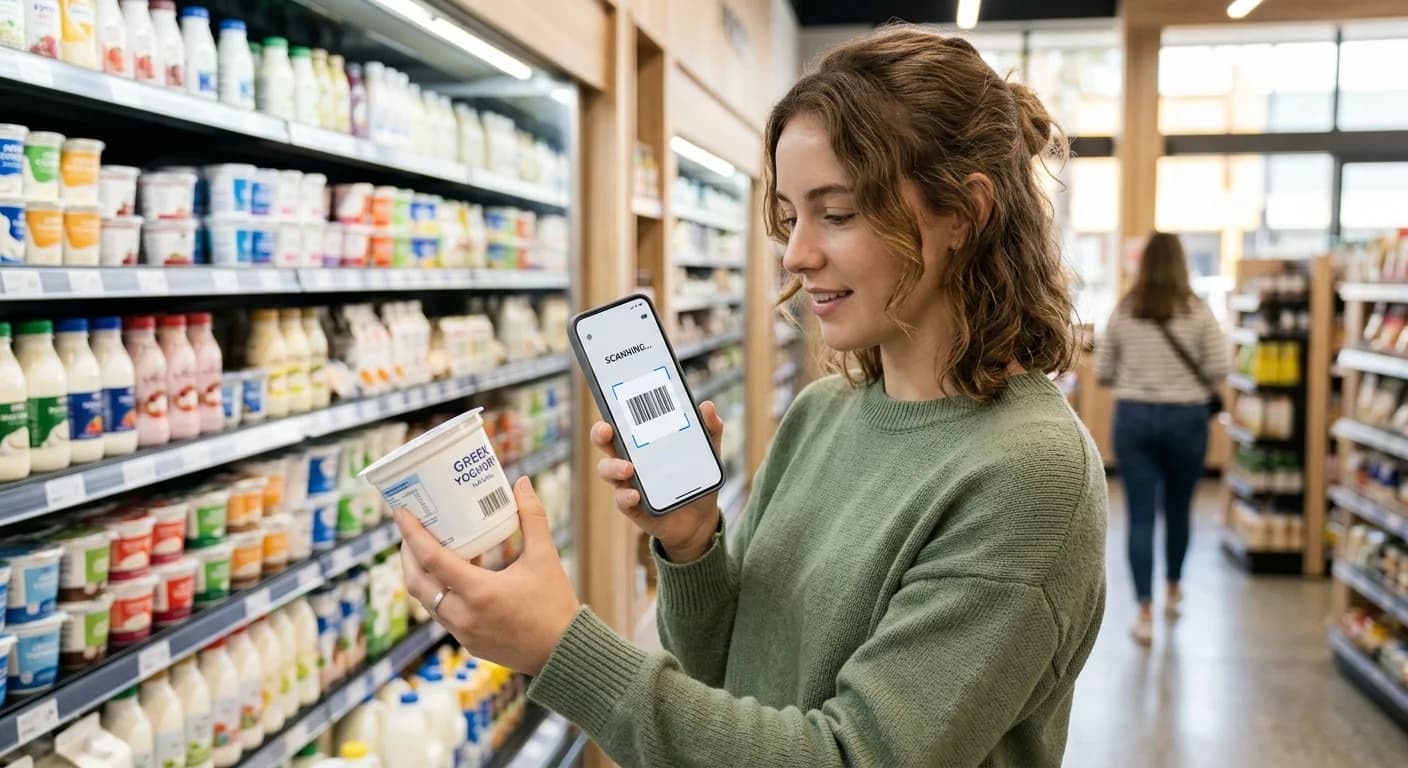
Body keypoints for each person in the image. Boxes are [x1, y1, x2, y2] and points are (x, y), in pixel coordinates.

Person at [393, 25, 1106, 766]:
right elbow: (726, 676)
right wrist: (693, 540)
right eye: (792, 216)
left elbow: (851, 755)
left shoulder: (1030, 474)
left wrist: (560, 647)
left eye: (838, 213)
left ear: (963, 212)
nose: (797, 254)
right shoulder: (821, 415)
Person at [1095, 232, 1228, 646]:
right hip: (1186, 420)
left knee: (1139, 515)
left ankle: (1144, 611)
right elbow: (1219, 368)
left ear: (1143, 265)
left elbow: (1102, 371)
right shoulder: (1199, 312)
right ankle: (1173, 588)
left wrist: (1138, 379)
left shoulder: (1124, 309)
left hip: (1133, 418)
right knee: (1178, 508)